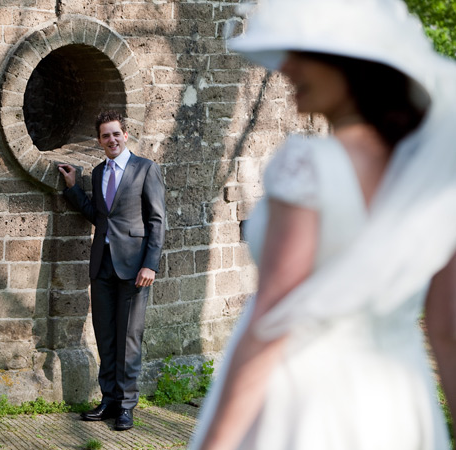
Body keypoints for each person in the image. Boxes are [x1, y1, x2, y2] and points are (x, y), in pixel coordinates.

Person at [190, 0, 456, 448]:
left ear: (354, 64)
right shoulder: (435, 177)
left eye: (304, 53)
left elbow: (271, 324)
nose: (286, 67)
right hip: (400, 408)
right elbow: (448, 328)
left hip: (309, 404)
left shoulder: (309, 163)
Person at [58, 110, 165, 431]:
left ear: (126, 135)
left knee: (129, 338)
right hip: (101, 266)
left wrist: (150, 263)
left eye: (116, 134)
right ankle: (108, 400)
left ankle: (126, 405)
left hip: (135, 268)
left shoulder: (146, 169)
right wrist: (74, 188)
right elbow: (99, 217)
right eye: (105, 135)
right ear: (100, 141)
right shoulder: (98, 170)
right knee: (105, 336)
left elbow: (157, 221)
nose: (111, 140)